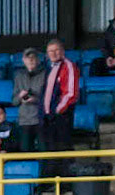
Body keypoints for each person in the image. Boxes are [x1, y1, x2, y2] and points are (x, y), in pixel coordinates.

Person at [40, 39, 80, 174]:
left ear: (62, 51)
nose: (54, 53)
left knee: (63, 148)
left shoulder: (68, 66)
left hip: (61, 115)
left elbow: (70, 93)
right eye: (50, 51)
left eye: (56, 50)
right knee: (51, 150)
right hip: (48, 117)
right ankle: (54, 181)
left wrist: (56, 111)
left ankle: (67, 182)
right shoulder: (49, 68)